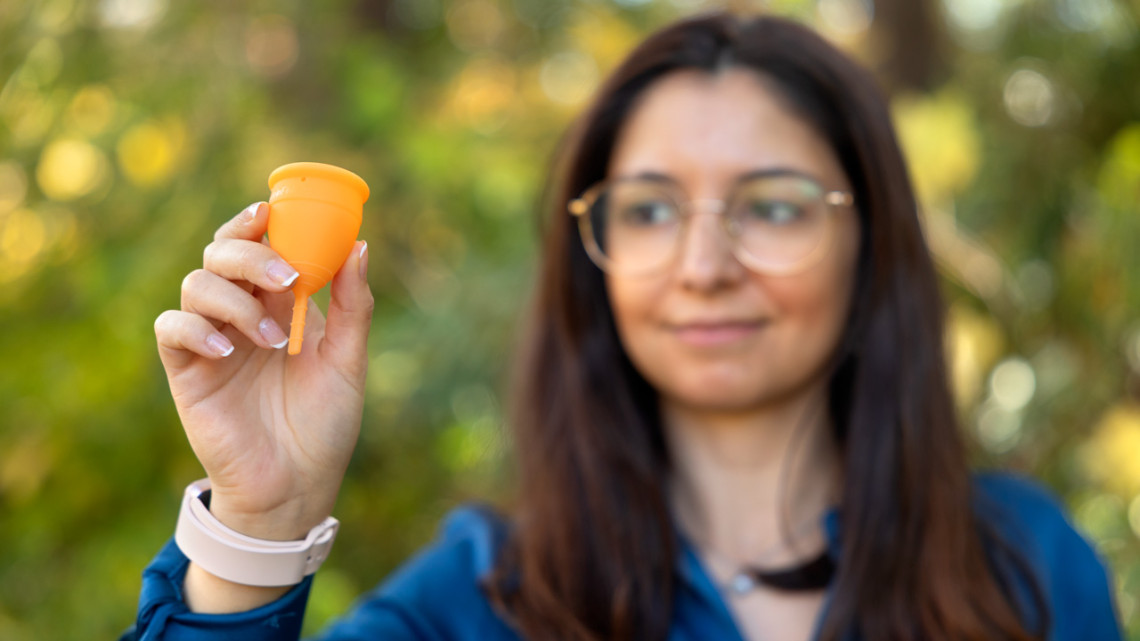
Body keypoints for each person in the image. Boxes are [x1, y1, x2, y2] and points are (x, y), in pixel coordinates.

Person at [123, 11, 1121, 641]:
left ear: (873, 239)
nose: (702, 264)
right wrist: (259, 521)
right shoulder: (476, 605)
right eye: (647, 208)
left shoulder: (1027, 565)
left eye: (771, 204)